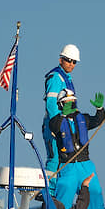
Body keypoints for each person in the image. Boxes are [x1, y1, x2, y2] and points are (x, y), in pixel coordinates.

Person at [48, 89, 105, 209]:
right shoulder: (56, 121)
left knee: (94, 191)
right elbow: (54, 127)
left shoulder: (83, 118)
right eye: (67, 102)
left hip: (85, 164)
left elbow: (97, 120)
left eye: (72, 101)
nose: (71, 103)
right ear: (61, 104)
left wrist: (100, 109)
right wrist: (63, 115)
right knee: (65, 190)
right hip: (67, 165)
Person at [43, 44, 79, 181]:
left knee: (66, 159)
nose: (71, 64)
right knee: (55, 159)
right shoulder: (56, 77)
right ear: (61, 60)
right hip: (56, 124)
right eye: (68, 60)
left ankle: (60, 195)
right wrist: (55, 125)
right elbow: (51, 103)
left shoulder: (66, 78)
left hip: (66, 124)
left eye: (74, 61)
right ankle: (49, 193)